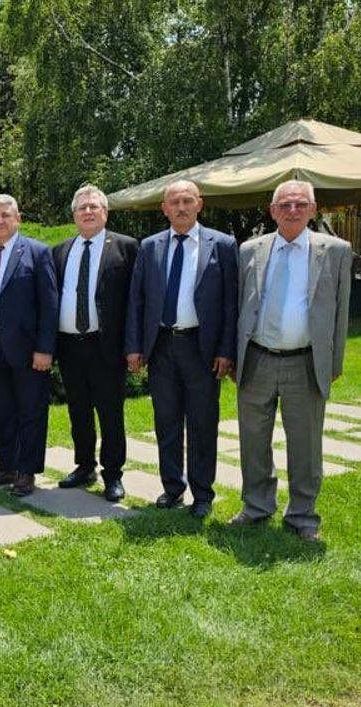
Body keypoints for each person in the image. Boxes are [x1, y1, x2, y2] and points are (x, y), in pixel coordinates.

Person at [232, 180, 351, 542]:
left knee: (305, 443)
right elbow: (238, 306)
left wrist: (333, 362)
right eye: (285, 205)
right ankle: (256, 506)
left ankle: (302, 514)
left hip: (306, 362)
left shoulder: (335, 251)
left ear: (313, 209)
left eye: (300, 204)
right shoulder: (250, 250)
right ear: (273, 211)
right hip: (257, 358)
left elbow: (341, 312)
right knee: (253, 439)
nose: (293, 210)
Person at [125, 180, 238, 519]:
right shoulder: (150, 247)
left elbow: (231, 304)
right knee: (167, 420)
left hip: (201, 348)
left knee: (202, 423)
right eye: (174, 202)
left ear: (199, 204)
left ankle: (202, 494)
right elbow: (137, 299)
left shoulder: (222, 244)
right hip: (161, 346)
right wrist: (134, 346)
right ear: (164, 208)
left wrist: (226, 350)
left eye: (187, 200)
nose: (181, 207)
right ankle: (172, 487)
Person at [52, 185, 139, 502]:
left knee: (110, 412)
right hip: (70, 345)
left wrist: (134, 345)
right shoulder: (60, 251)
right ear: (74, 215)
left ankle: (113, 474)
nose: (87, 212)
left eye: (93, 207)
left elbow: (136, 300)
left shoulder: (126, 247)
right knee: (78, 410)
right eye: (82, 208)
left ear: (105, 212)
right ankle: (84, 466)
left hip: (107, 346)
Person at [0, 194, 58, 497]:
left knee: (30, 411)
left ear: (18, 218)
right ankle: (6, 466)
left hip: (28, 349)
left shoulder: (37, 252)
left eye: (5, 215)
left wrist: (45, 348)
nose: (0, 220)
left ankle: (27, 471)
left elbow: (49, 304)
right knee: (2, 411)